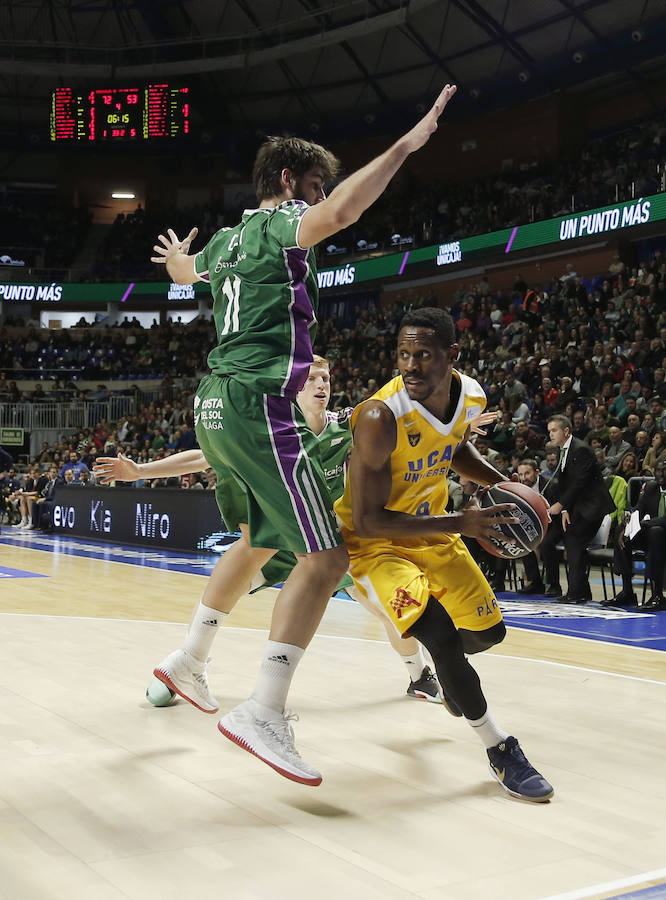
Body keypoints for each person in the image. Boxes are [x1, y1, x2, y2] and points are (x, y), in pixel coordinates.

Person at [136, 85, 460, 787]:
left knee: (262, 540)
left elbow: (191, 272)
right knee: (327, 557)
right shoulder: (277, 226)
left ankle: (190, 660)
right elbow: (345, 211)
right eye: (314, 186)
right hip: (257, 403)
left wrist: (174, 265)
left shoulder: (224, 242)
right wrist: (407, 144)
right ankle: (264, 709)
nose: (322, 198)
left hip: (211, 405)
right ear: (289, 183)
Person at [95, 357, 444, 703]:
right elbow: (203, 456)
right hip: (282, 539)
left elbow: (403, 424)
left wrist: (453, 430)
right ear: (293, 387)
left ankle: (419, 675)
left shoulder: (346, 424)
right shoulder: (276, 431)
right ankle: (187, 663)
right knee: (227, 590)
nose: (321, 384)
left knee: (389, 608)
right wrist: (140, 471)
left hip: (331, 544)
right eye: (312, 379)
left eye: (326, 378)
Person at [334, 307, 554, 802]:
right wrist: (463, 522)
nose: (410, 365)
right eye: (402, 354)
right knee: (438, 634)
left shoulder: (471, 395)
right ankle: (499, 747)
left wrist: (505, 487)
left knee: (488, 633)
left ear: (452, 356)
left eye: (423, 355)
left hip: (436, 535)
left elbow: (451, 448)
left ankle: (453, 678)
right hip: (375, 546)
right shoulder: (377, 416)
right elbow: (368, 521)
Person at [540, 415, 615, 603]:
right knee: (548, 540)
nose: (551, 434)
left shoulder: (581, 449)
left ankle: (576, 593)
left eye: (554, 430)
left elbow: (580, 483)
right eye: (549, 431)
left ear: (566, 431)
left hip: (592, 506)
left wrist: (561, 505)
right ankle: (554, 586)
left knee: (573, 539)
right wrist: (564, 510)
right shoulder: (562, 450)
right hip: (575, 507)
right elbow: (564, 483)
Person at [604, 459, 666, 610]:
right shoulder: (651, 487)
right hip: (651, 537)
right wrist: (627, 526)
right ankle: (627, 592)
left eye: (664, 470)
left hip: (659, 536)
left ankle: (658, 595)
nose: (661, 474)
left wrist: (642, 525)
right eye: (658, 471)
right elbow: (637, 510)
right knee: (621, 530)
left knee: (656, 531)